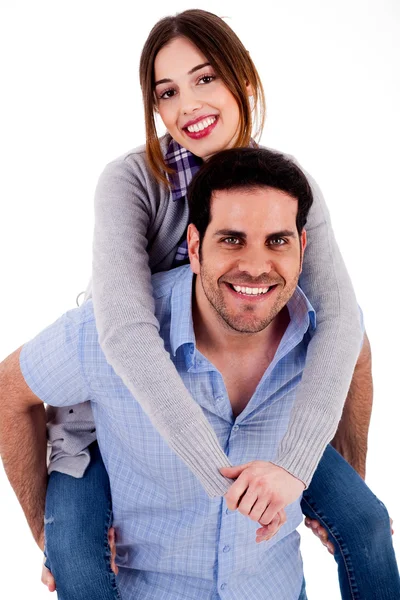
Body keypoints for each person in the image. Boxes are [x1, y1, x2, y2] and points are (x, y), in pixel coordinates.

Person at [4, 8, 399, 600]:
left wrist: (300, 472)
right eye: (168, 91)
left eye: (205, 78)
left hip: (244, 406)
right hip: (120, 406)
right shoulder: (131, 181)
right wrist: (227, 482)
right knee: (78, 566)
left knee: (365, 523)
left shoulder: (284, 187)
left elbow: (344, 326)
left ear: (243, 80)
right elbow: (125, 334)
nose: (188, 105)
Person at [0, 146, 345, 599]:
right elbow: (10, 389)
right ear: (195, 247)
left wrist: (338, 478)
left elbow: (356, 359)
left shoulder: (325, 331)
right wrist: (52, 536)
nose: (257, 266)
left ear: (302, 247)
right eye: (232, 239)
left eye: (277, 241)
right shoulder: (106, 333)